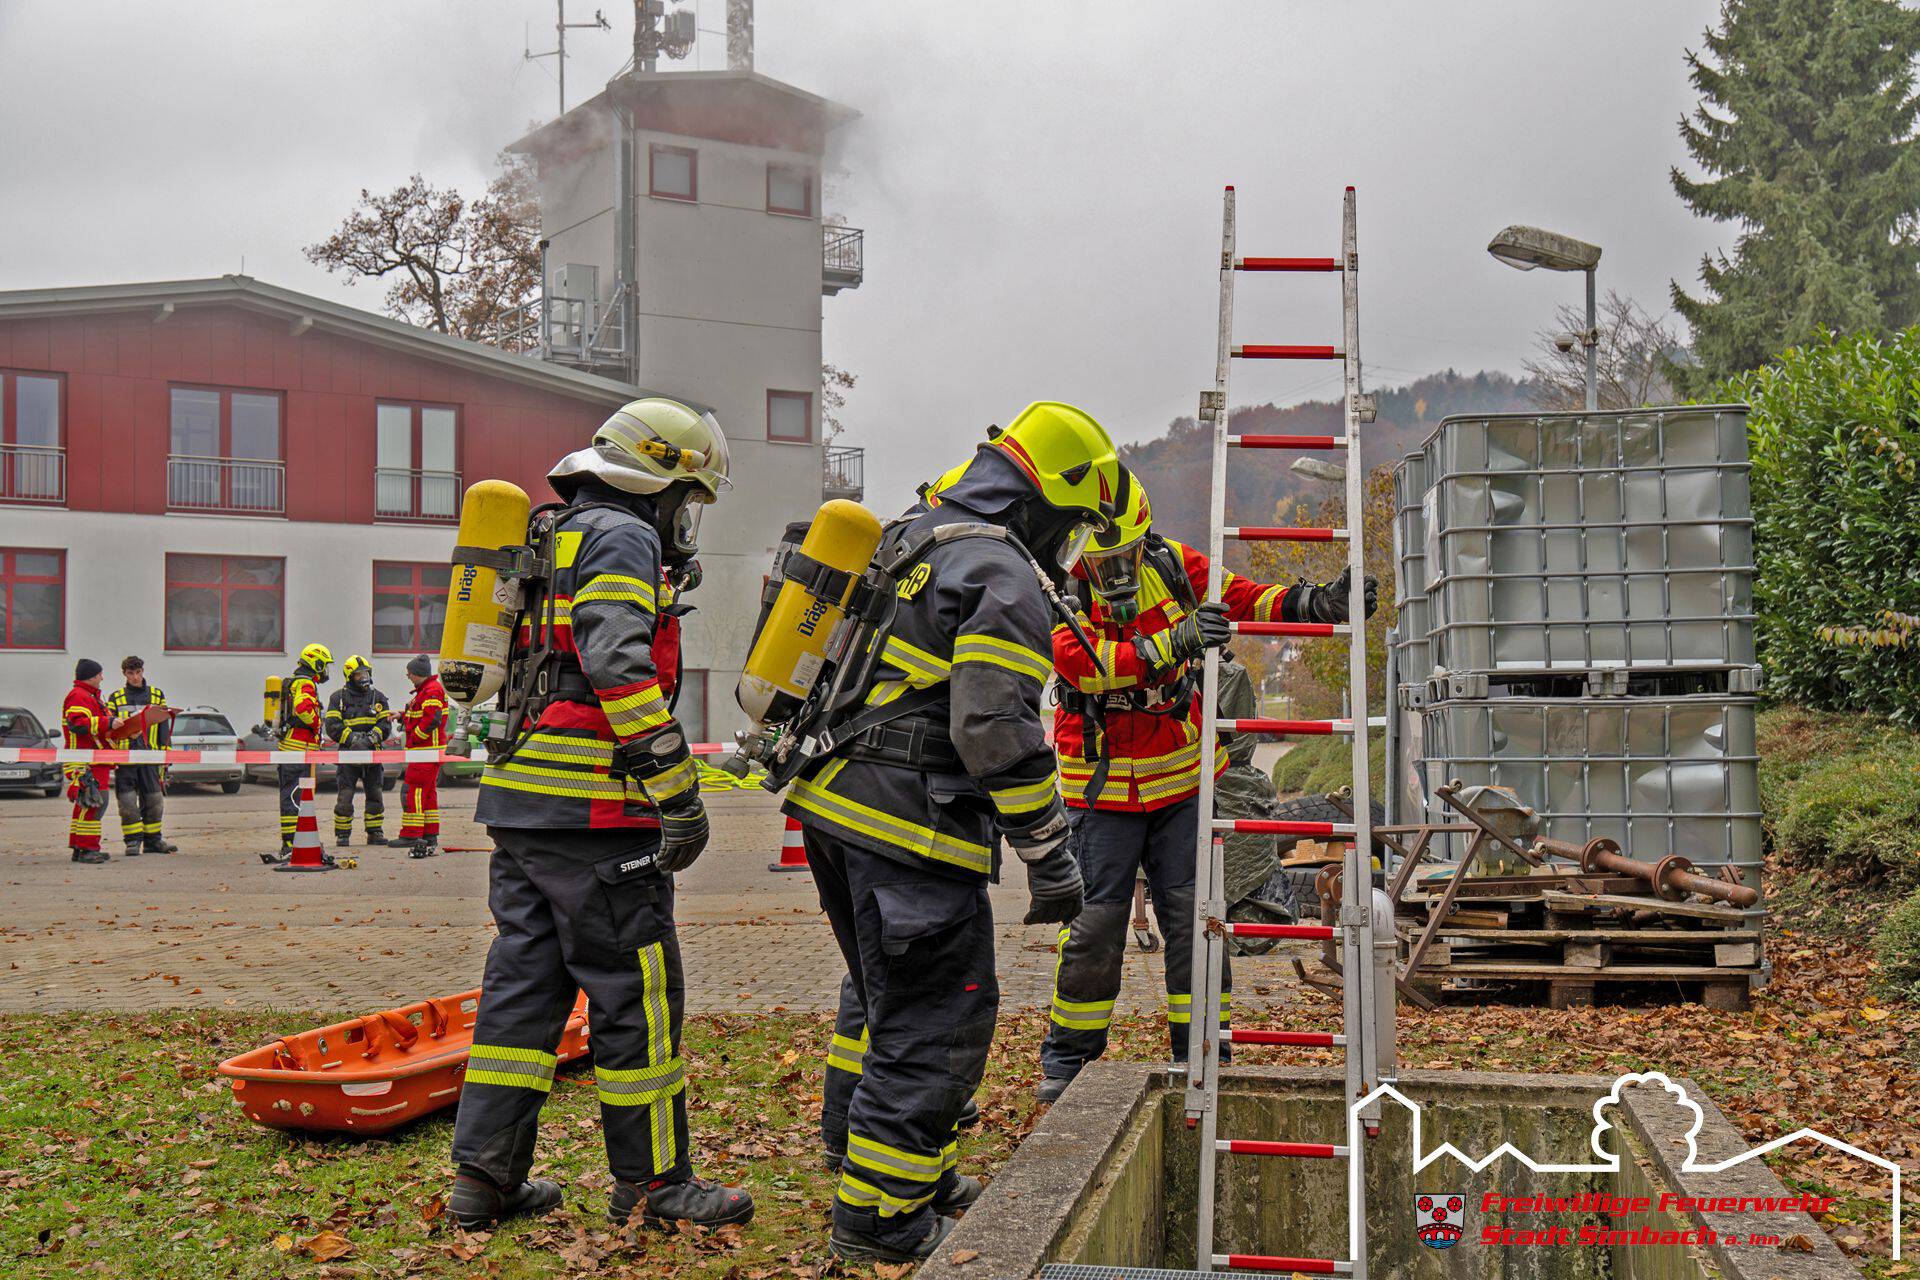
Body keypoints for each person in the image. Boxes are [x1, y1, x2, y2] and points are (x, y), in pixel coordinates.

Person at [784, 402, 1119, 1263]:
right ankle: (882, 1223)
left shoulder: (910, 537)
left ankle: (910, 1175)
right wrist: (1051, 856)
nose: (1070, 552)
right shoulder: (1000, 574)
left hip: (833, 810)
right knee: (934, 1023)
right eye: (1074, 530)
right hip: (911, 833)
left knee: (889, 1005)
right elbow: (995, 730)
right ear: (1043, 503)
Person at [448, 396, 751, 1234]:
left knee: (521, 994)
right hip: (597, 815)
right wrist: (676, 789)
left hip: (523, 806)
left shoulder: (555, 534)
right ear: (658, 479)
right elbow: (616, 660)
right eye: (687, 501)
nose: (686, 522)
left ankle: (484, 1181)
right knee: (637, 995)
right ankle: (656, 1184)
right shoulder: (624, 535)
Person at [1035, 471, 1377, 1101]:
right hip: (1100, 792)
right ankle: (1068, 1062)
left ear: (1142, 541)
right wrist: (1178, 640)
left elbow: (1243, 597)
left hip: (1183, 784)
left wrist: (1316, 603)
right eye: (1101, 558)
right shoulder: (1063, 589)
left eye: (1122, 556)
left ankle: (1202, 1050)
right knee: (1093, 929)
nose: (1113, 570)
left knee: (1198, 923)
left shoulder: (1170, 565)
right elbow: (1084, 666)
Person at [105, 656, 176, 857]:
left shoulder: (156, 694)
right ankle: (132, 842)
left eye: (138, 672)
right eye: (130, 673)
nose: (135, 677)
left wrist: (165, 753)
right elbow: (110, 728)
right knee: (127, 803)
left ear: (143, 671)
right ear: (124, 674)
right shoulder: (115, 698)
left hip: (150, 756)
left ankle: (153, 841)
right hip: (125, 758)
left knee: (154, 800)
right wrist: (125, 730)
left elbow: (164, 725)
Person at [324, 655, 393, 848]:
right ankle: (343, 834)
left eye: (366, 673)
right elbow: (332, 726)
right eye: (358, 674)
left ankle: (375, 832)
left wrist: (370, 739)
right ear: (349, 676)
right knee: (345, 796)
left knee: (375, 794)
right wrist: (354, 739)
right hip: (348, 755)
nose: (364, 677)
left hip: (372, 754)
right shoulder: (338, 698)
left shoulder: (378, 697)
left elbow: (385, 725)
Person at [274, 643, 332, 860]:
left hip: (292, 748)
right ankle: (291, 844)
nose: (325, 670)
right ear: (315, 663)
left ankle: (293, 840)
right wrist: (317, 723)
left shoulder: (295, 682)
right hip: (297, 749)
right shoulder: (306, 683)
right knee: (295, 796)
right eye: (324, 665)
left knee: (294, 794)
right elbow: (303, 708)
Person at [63, 659, 114, 865]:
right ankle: (87, 849)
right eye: (100, 674)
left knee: (87, 803)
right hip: (85, 759)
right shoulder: (79, 696)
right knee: (94, 802)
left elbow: (100, 725)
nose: (102, 678)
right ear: (91, 676)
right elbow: (78, 724)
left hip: (93, 758)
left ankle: (80, 847)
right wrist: (108, 722)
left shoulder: (90, 696)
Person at [398, 656, 447, 858]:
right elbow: (421, 714)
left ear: (418, 672)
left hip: (425, 751)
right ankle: (429, 834)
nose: (408, 676)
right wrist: (400, 716)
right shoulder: (427, 690)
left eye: (409, 672)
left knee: (414, 790)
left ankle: (412, 834)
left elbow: (431, 719)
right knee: (427, 793)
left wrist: (416, 738)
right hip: (426, 751)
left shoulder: (432, 690)